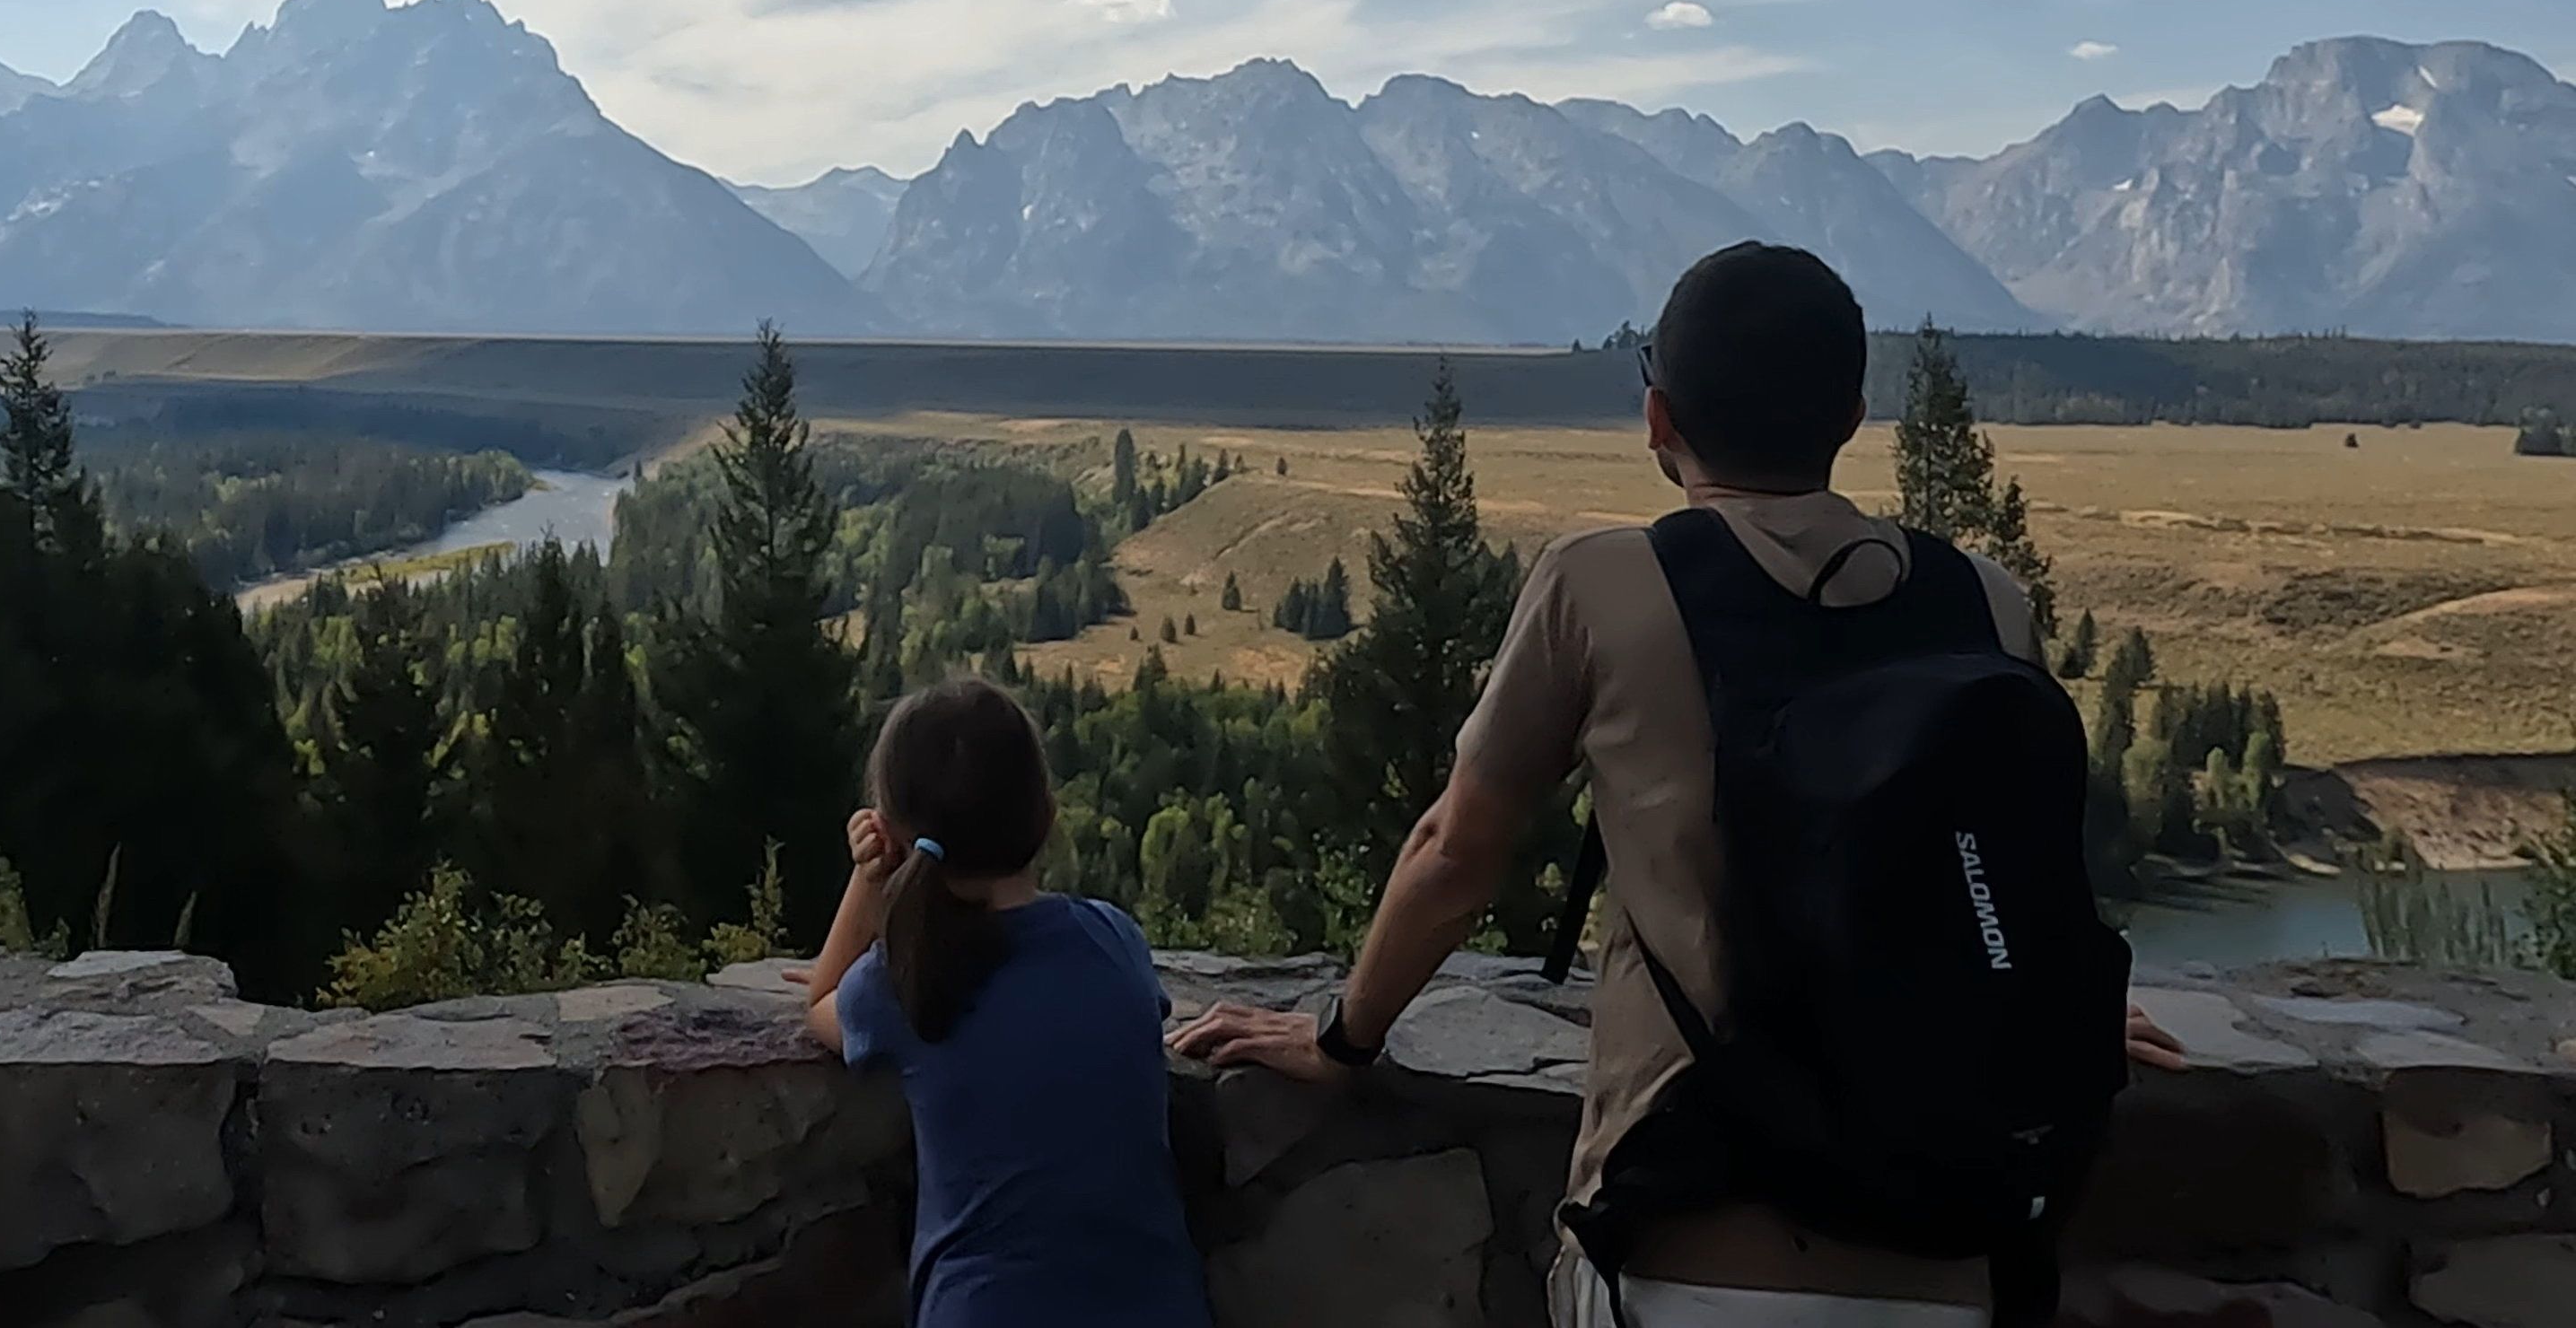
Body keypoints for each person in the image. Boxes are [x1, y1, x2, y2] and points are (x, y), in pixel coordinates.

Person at [1171, 243, 2188, 1328]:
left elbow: (1456, 854)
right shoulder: (1983, 598)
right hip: (1958, 1250)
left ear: (1660, 420)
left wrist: (1342, 1039)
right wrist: (2059, 1013)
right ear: (1852, 416)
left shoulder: (1603, 580)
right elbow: (2013, 868)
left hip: (1691, 1232)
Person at [795, 674, 1212, 1328]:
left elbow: (822, 999)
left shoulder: (903, 983)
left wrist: (869, 877)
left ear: (896, 833)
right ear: (1046, 815)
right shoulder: (1113, 940)